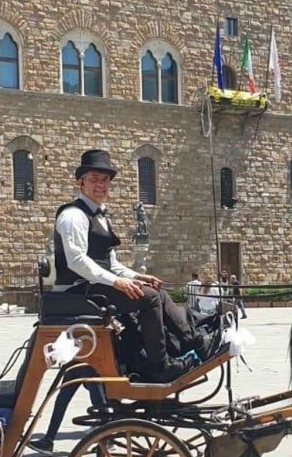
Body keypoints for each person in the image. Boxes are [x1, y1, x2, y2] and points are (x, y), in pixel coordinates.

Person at [53, 148, 195, 382]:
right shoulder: (73, 216)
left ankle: (190, 340)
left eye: (105, 180)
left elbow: (111, 263)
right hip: (78, 289)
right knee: (148, 298)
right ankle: (159, 365)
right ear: (81, 182)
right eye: (94, 179)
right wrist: (117, 282)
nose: (101, 185)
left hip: (95, 284)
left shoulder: (100, 216)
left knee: (155, 291)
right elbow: (77, 261)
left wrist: (137, 276)